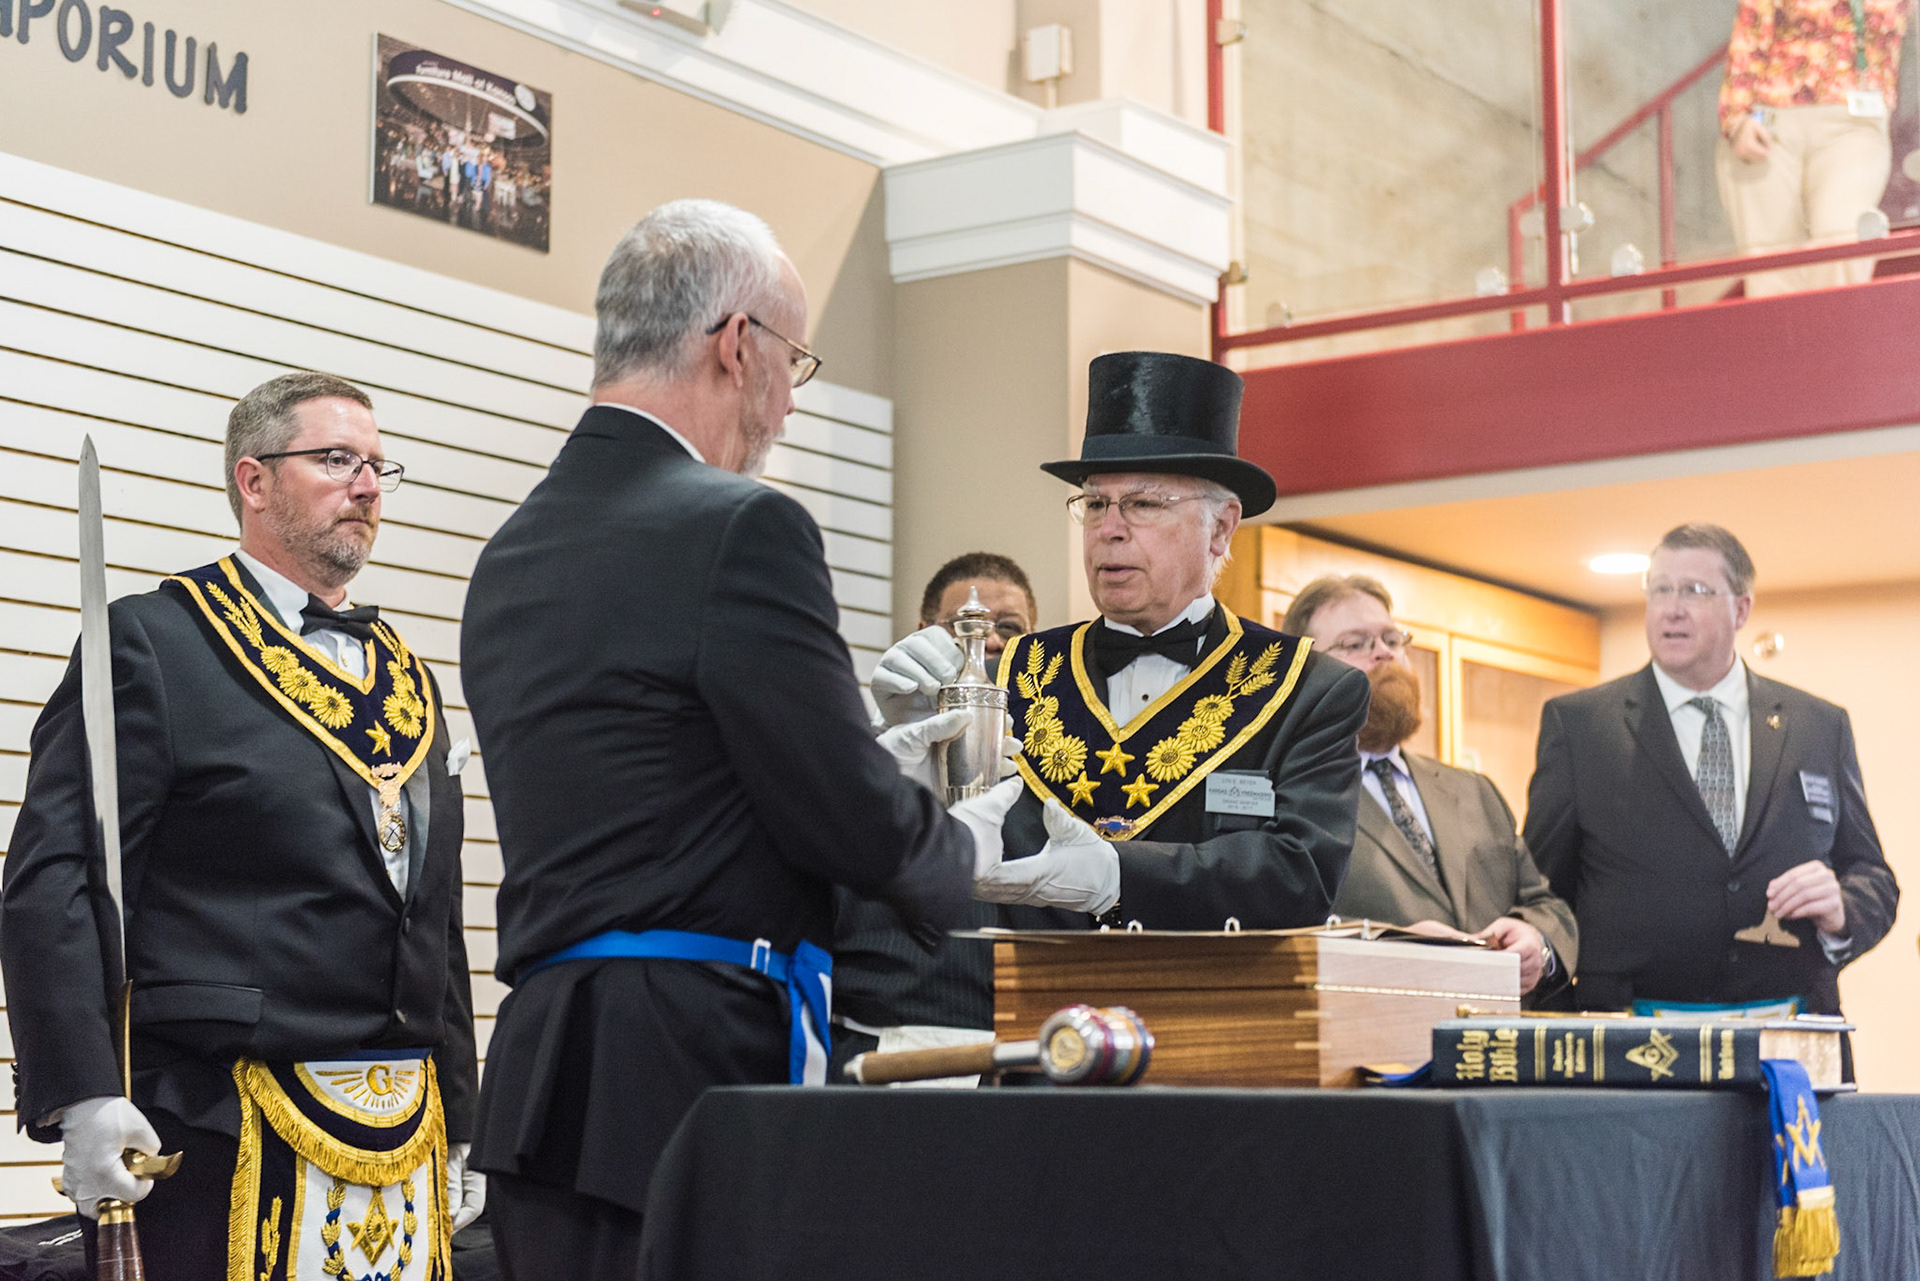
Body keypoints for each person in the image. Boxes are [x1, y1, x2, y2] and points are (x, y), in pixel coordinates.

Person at [460, 200, 999, 1277]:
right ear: (737, 344)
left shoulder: (512, 549)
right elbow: (845, 815)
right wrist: (971, 849)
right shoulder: (741, 525)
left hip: (548, 1072)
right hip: (689, 1073)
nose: (788, 413)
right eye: (793, 366)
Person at [0, 372, 481, 1279]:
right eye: (337, 458)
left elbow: (435, 910)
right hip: (218, 1123)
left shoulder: (410, 679)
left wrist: (461, 1105)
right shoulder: (152, 641)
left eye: (379, 465)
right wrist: (84, 1092)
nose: (368, 484)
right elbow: (53, 877)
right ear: (253, 482)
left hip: (402, 1129)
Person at [869, 350, 1371, 1034]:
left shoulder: (1306, 686)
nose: (1109, 527)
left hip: (1219, 1044)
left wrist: (1115, 873)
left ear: (1221, 526)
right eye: (1096, 502)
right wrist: (914, 776)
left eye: (1142, 503)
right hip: (1034, 1042)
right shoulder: (1016, 671)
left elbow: (1297, 876)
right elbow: (958, 857)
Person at [1524, 523, 1898, 1019]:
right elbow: (1541, 890)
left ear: (1741, 608)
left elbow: (1871, 874)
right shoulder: (1580, 726)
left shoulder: (1818, 726)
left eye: (1695, 591)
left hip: (1789, 1025)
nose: (1672, 608)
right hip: (1635, 1035)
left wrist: (1842, 908)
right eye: (1660, 589)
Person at [1283, 575, 1576, 1000]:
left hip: (1493, 1042)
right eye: (1356, 643)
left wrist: (1537, 941)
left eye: (1391, 638)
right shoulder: (1288, 793)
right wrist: (1386, 946)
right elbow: (1271, 931)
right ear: (1303, 670)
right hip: (1367, 1047)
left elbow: (1545, 904)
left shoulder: (1474, 791)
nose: (1384, 652)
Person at [832, 553, 1038, 1080]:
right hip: (886, 1045)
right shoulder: (864, 759)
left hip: (1028, 1056)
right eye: (963, 629)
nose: (989, 642)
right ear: (922, 635)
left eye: (1010, 629)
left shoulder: (1056, 771)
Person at [1717, 0, 1909, 296]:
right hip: (1770, 118)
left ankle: (1829, 337)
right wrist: (1736, 116)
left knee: (1843, 235)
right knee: (1771, 262)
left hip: (1854, 121)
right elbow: (1751, 26)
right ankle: (1781, 340)